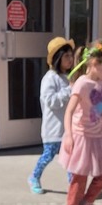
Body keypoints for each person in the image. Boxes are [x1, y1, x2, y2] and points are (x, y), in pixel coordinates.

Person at [59, 39, 102, 205]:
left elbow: (101, 106)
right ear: (94, 63)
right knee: (80, 176)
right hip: (82, 135)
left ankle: (86, 204)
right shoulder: (82, 84)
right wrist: (68, 135)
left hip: (98, 136)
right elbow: (69, 111)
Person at [27, 36, 75, 194]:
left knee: (70, 160)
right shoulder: (49, 79)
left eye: (71, 55)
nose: (71, 59)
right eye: (66, 56)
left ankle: (74, 187)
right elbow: (50, 101)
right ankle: (34, 176)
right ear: (57, 58)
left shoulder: (66, 78)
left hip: (67, 130)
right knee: (48, 156)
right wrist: (69, 90)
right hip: (53, 129)